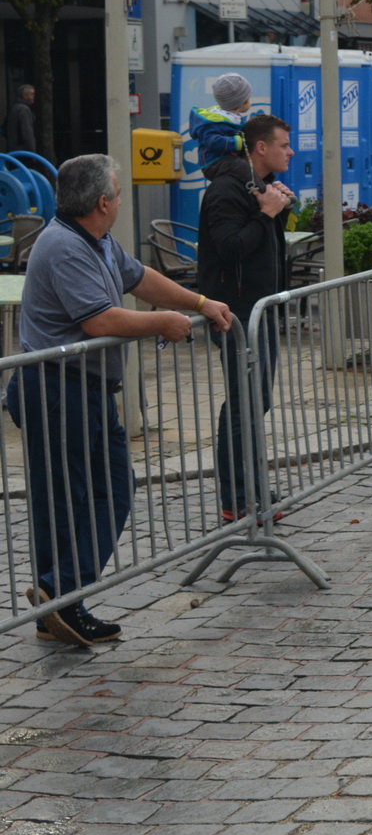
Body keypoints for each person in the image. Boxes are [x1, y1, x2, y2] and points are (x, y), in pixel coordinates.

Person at [12, 155, 234, 646]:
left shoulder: (98, 239)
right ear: (102, 202)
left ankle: (59, 600)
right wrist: (162, 322)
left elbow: (138, 278)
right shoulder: (64, 246)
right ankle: (60, 598)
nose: (119, 199)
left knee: (104, 490)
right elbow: (101, 321)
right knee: (72, 501)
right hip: (55, 388)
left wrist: (196, 302)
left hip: (82, 388)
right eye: (116, 191)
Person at [198, 112, 296, 523]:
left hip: (261, 310)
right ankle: (236, 498)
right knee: (243, 405)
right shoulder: (226, 190)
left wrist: (279, 209)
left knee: (257, 402)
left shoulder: (256, 186)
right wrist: (267, 215)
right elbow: (229, 247)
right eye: (283, 145)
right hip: (235, 314)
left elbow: (264, 247)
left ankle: (252, 486)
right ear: (261, 148)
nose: (290, 151)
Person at [190, 73, 254, 176]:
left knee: (245, 164)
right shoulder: (214, 121)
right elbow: (211, 140)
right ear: (243, 102)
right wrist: (236, 142)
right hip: (213, 163)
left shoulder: (232, 118)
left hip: (225, 160)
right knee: (242, 166)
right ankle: (258, 189)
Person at [8, 83, 37, 155]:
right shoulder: (24, 109)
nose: (33, 97)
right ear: (25, 95)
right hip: (23, 151)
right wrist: (32, 151)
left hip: (14, 149)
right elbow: (27, 132)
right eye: (32, 94)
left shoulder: (15, 107)